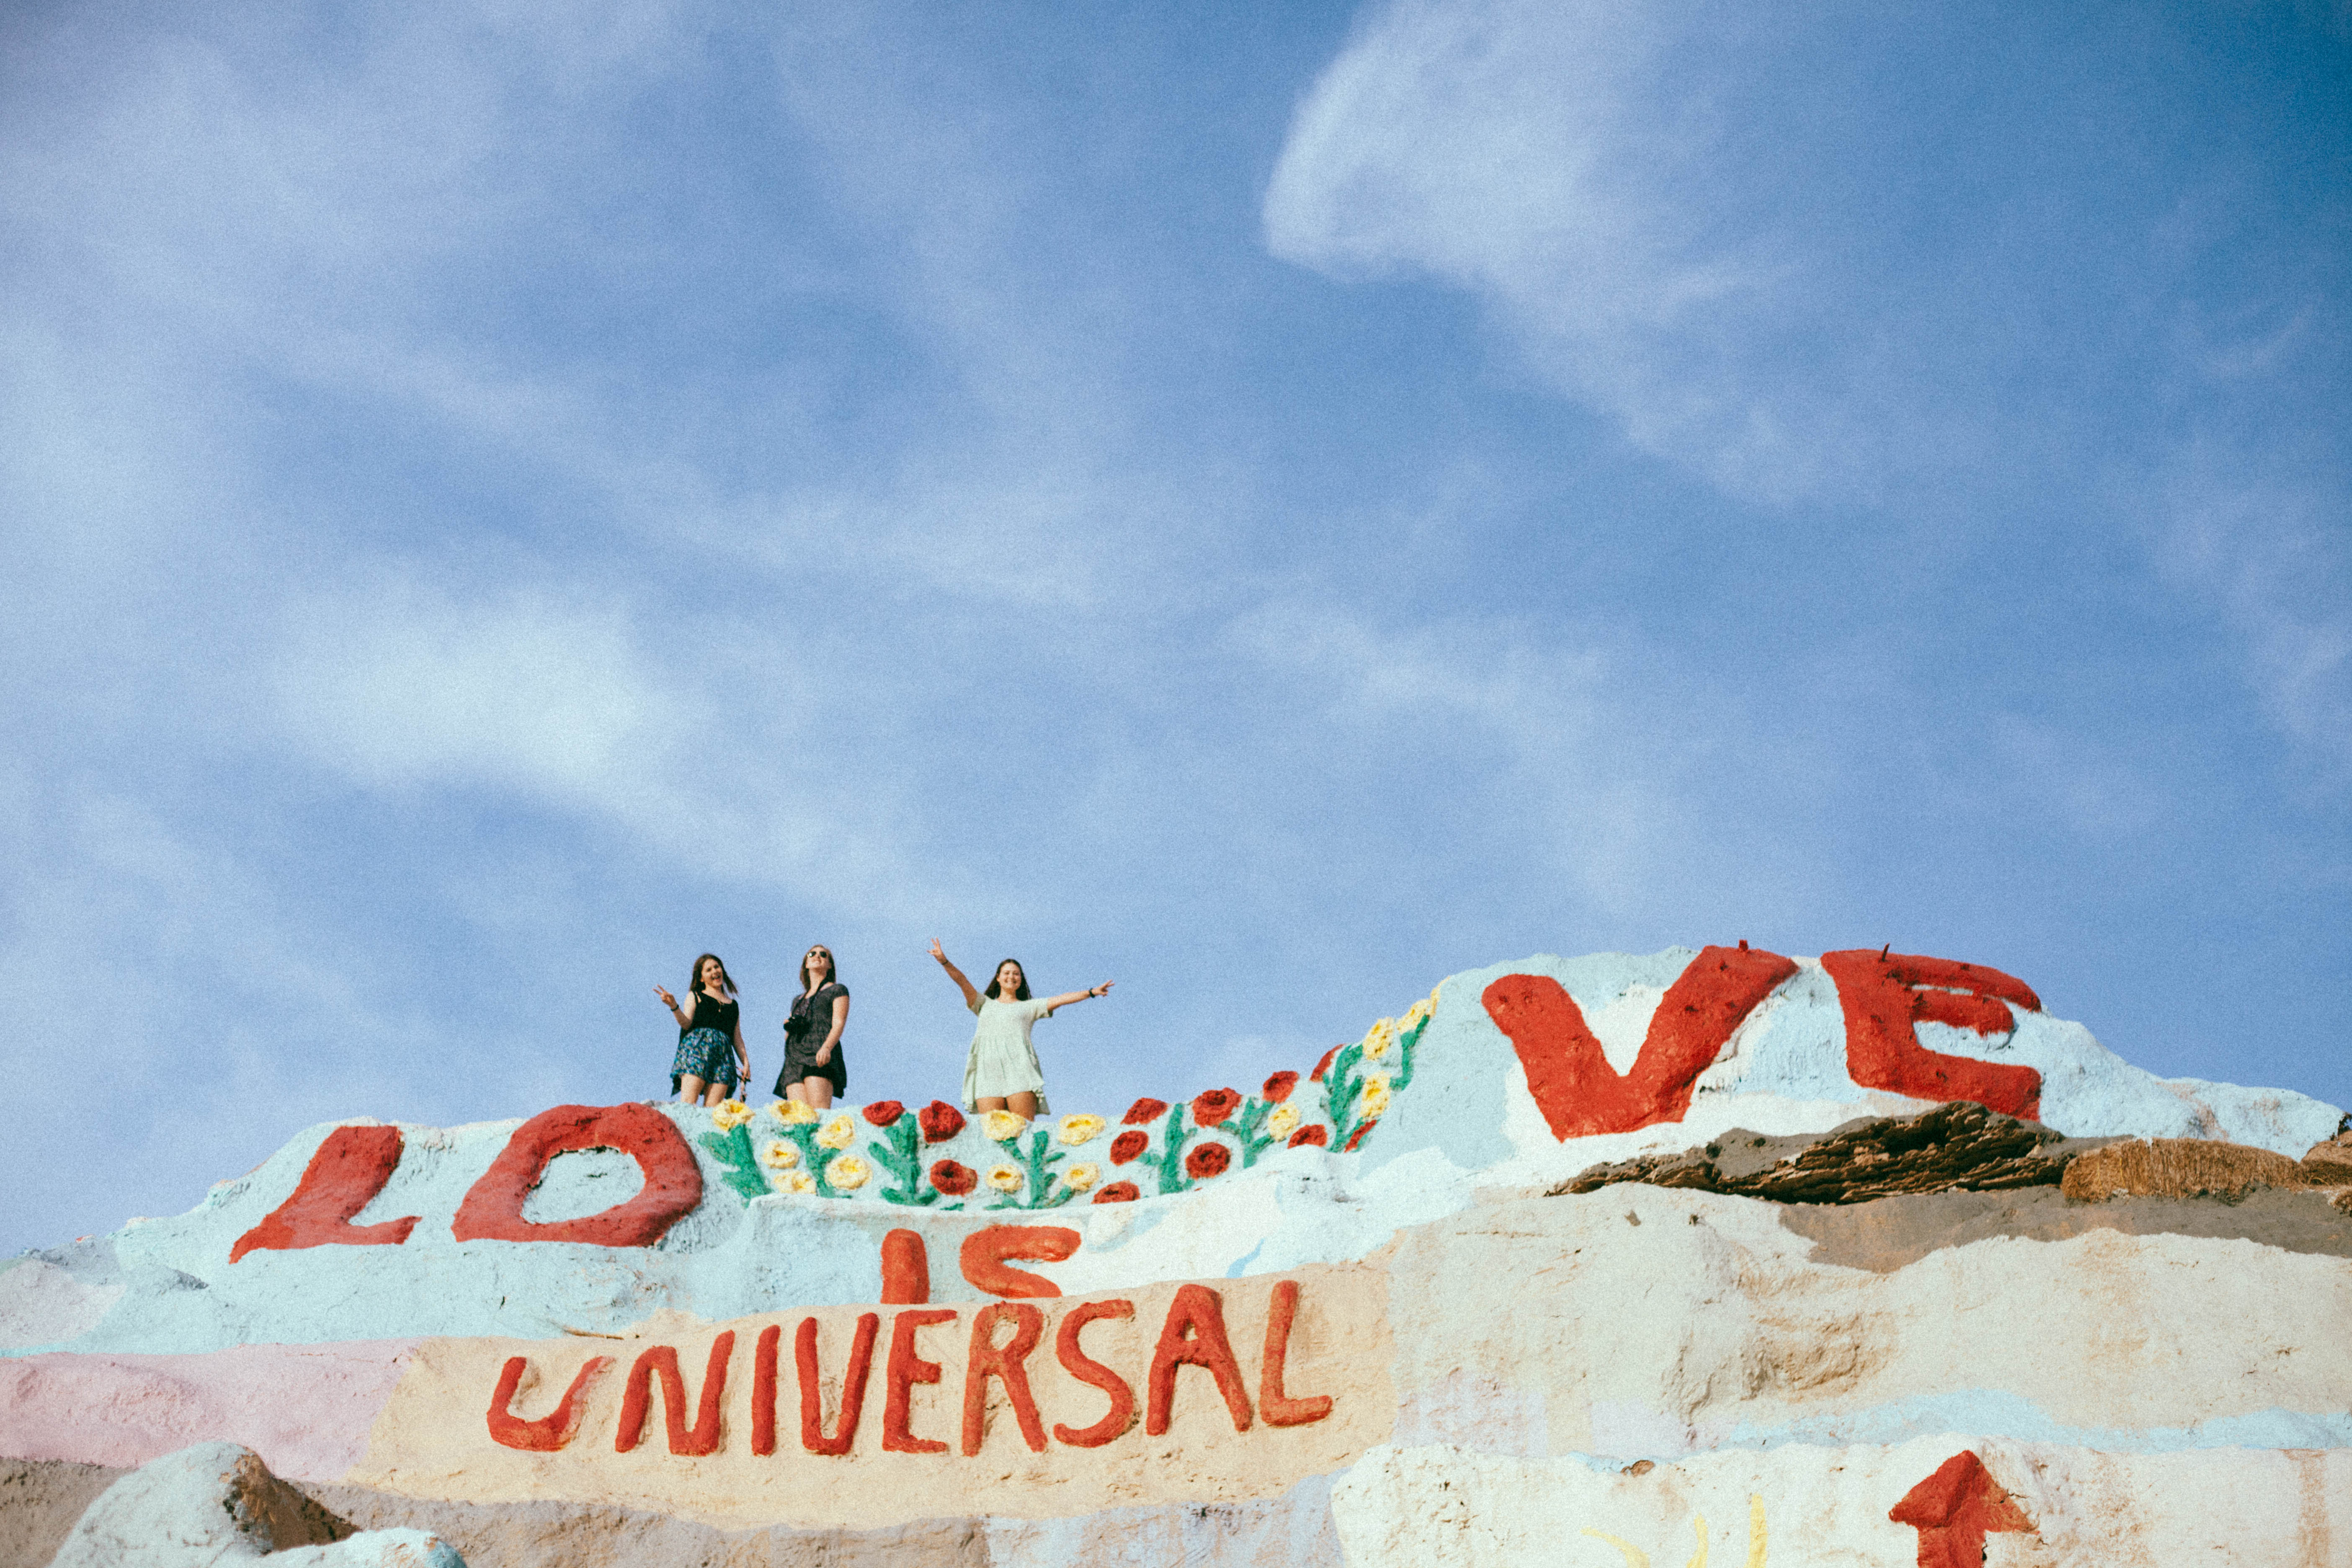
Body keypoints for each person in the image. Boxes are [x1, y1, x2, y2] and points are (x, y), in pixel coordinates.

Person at [928, 939, 1112, 1119]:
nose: (1011, 977)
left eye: (1016, 974)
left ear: (1021, 979)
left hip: (1020, 1070)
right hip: (987, 1072)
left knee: (1023, 1130)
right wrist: (944, 961)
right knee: (991, 1133)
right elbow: (962, 982)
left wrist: (1091, 992)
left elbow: (1062, 999)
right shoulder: (982, 1004)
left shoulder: (1030, 1007)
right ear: (998, 978)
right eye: (1007, 973)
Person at [655, 954, 748, 1107]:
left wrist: (746, 1063)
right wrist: (674, 1006)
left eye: (717, 967)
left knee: (713, 1111)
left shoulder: (733, 1006)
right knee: (688, 1103)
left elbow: (737, 1037)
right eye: (709, 970)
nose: (715, 972)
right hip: (697, 1050)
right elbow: (686, 1023)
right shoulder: (695, 996)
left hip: (723, 1057)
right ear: (701, 978)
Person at [778, 943, 850, 1110]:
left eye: (824, 955)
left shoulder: (837, 990)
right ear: (806, 964)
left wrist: (827, 1048)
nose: (818, 956)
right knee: (798, 1115)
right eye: (812, 954)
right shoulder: (798, 1000)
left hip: (818, 1051)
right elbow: (788, 1036)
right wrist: (789, 1027)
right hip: (794, 1058)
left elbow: (839, 1023)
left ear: (830, 965)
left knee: (818, 1112)